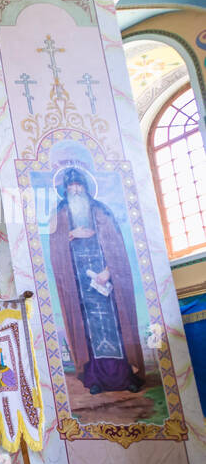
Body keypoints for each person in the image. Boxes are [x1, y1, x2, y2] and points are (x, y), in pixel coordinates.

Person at [48, 166, 144, 396]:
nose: (75, 190)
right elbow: (57, 246)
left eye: (78, 185)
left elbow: (116, 247)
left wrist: (109, 271)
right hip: (81, 288)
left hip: (107, 284)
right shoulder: (61, 215)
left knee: (114, 328)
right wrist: (70, 236)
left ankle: (126, 375)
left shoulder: (101, 211)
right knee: (90, 332)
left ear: (86, 187)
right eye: (70, 186)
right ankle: (96, 378)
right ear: (65, 190)